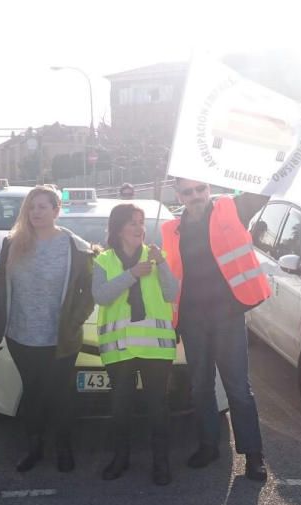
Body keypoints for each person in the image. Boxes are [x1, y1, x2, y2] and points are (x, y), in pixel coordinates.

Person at [160, 179, 271, 482]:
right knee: (200, 386)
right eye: (187, 192)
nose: (194, 196)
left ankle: (253, 455)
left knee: (237, 387)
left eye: (199, 189)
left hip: (227, 315)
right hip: (192, 319)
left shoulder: (230, 210)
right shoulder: (171, 229)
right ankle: (208, 446)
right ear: (178, 196)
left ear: (208, 189)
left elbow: (266, 189)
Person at [0, 186, 94, 473]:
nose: (36, 212)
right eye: (31, 206)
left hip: (59, 338)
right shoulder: (12, 243)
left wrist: (74, 321)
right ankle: (34, 447)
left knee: (60, 394)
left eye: (43, 206)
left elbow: (88, 291)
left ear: (56, 210)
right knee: (33, 392)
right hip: (21, 335)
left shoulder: (75, 246)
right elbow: (1, 284)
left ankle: (63, 447)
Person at [92, 203, 178, 485]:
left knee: (158, 408)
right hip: (120, 349)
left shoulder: (156, 256)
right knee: (120, 407)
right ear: (118, 229)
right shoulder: (103, 260)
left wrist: (161, 263)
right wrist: (131, 275)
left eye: (141, 222)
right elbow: (101, 296)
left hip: (155, 348)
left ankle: (161, 462)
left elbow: (171, 293)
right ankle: (120, 458)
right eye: (132, 223)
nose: (140, 227)